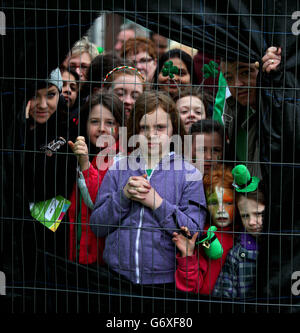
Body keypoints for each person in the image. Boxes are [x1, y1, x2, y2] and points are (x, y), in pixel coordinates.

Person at [90, 90, 207, 286]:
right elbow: (98, 226)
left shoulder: (189, 174)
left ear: (173, 129)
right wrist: (123, 197)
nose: (151, 135)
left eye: (160, 127)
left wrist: (157, 203)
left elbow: (194, 230)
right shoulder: (119, 168)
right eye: (144, 127)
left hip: (165, 281)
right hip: (117, 277)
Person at [68, 92, 123, 265]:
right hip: (77, 251)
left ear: (121, 127)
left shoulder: (122, 159)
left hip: (101, 258)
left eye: (110, 123)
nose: (101, 128)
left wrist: (84, 164)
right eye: (94, 122)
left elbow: (97, 202)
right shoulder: (80, 150)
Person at [172, 164, 237, 295]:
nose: (221, 210)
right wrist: (188, 255)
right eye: (213, 202)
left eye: (228, 202)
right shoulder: (202, 235)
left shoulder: (242, 235)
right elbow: (190, 286)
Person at [220, 46, 281, 178]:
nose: (237, 84)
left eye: (245, 73)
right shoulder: (231, 109)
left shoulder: (283, 110)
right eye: (229, 78)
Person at [213, 164, 265, 299]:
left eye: (259, 214)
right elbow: (223, 293)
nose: (252, 222)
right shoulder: (237, 254)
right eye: (245, 216)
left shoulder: (285, 248)